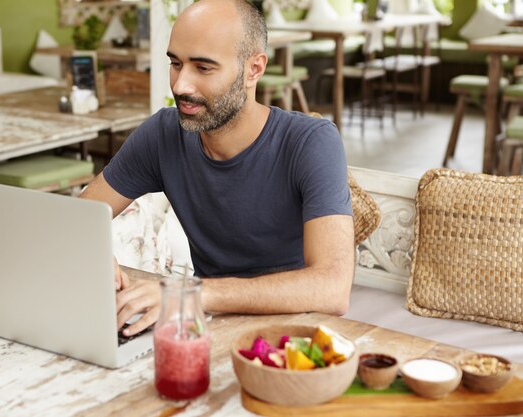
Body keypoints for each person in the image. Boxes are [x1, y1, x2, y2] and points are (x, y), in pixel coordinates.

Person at [80, 0, 355, 336]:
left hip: (294, 334)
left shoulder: (310, 142)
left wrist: (190, 294)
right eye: (176, 64)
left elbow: (333, 287)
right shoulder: (164, 134)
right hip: (206, 324)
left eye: (203, 68)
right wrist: (91, 250)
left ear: (254, 69)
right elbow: (78, 217)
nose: (181, 85)